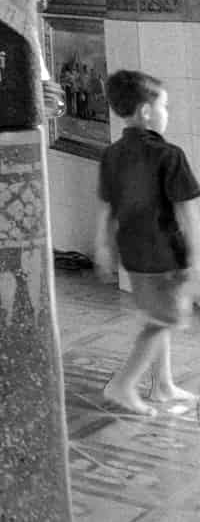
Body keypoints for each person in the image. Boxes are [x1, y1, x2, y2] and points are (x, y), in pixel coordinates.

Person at [95, 69, 200, 415]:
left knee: (159, 314)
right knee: (165, 321)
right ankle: (123, 385)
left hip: (133, 252)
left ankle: (163, 386)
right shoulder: (169, 155)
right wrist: (196, 258)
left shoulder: (112, 154)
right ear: (145, 111)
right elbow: (187, 213)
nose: (166, 113)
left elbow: (107, 210)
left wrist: (103, 247)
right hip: (165, 253)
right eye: (164, 106)